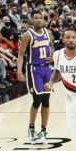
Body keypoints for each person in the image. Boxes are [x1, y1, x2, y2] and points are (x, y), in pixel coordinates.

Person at [17, 11, 54, 143]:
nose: (39, 20)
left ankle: (43, 131)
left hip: (47, 69)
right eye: (36, 18)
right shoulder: (28, 35)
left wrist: (53, 56)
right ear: (32, 20)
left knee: (46, 100)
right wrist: (19, 71)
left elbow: (52, 46)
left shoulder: (48, 33)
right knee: (37, 100)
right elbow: (21, 54)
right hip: (34, 70)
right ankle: (31, 128)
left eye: (41, 18)